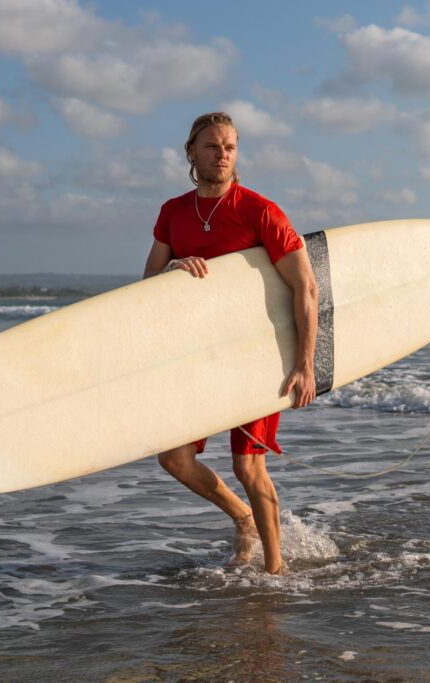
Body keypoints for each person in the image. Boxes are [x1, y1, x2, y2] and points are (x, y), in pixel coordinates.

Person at [143, 112, 318, 575]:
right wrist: (173, 271)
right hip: (198, 357)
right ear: (191, 152)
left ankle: (275, 572)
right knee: (175, 459)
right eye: (212, 146)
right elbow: (147, 283)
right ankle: (243, 519)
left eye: (230, 147)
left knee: (248, 468)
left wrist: (305, 364)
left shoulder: (259, 210)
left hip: (255, 356)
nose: (222, 154)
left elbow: (306, 287)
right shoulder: (172, 212)